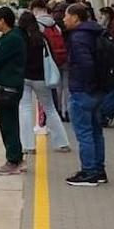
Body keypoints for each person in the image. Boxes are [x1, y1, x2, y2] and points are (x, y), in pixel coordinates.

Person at [62, 3, 107, 186]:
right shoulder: (95, 32)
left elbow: (86, 64)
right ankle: (99, 169)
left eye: (66, 16)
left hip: (83, 90)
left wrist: (86, 86)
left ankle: (89, 173)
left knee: (84, 133)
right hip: (97, 91)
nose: (64, 19)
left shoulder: (78, 37)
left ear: (75, 17)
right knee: (96, 132)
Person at [18, 10, 69, 154]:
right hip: (42, 79)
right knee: (50, 109)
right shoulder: (42, 39)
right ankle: (62, 143)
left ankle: (28, 146)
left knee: (25, 109)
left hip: (24, 78)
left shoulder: (21, 39)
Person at [0, 6, 27, 175]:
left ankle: (13, 160)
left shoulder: (11, 39)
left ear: (3, 21)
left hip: (8, 88)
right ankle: (16, 157)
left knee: (8, 124)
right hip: (9, 86)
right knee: (10, 123)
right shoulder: (11, 36)